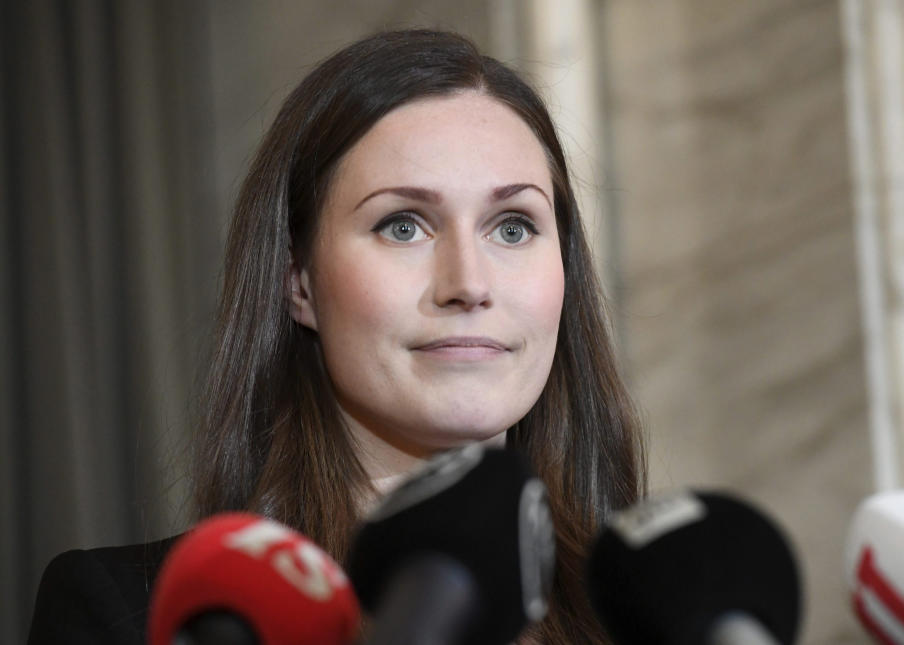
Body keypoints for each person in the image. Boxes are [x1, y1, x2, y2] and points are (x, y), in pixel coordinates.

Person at [29, 29, 645, 644]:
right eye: (403, 226)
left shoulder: (652, 618)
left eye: (512, 228)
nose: (469, 284)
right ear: (298, 281)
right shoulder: (134, 615)